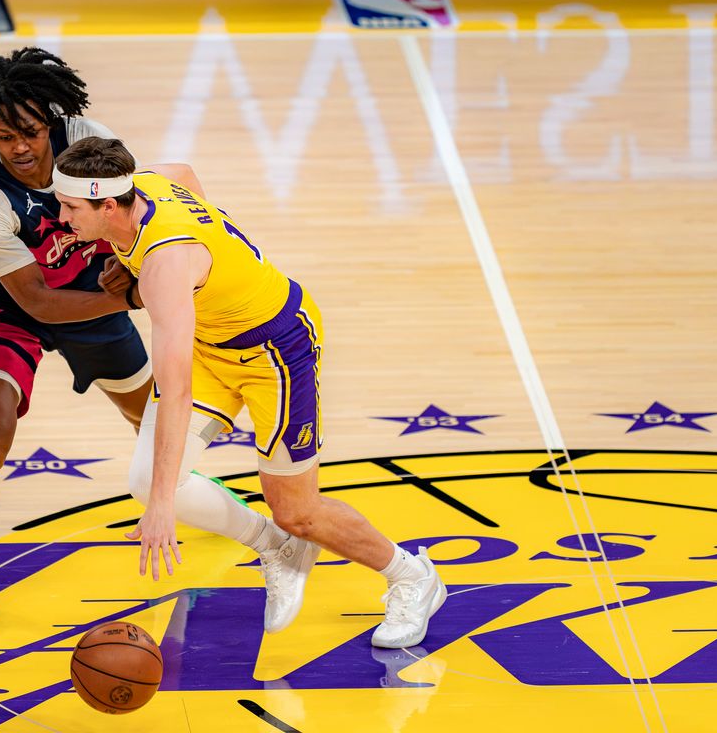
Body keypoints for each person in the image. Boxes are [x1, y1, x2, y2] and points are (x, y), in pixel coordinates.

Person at [51, 137, 447, 647]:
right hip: (213, 340)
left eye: (70, 207)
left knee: (298, 512)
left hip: (277, 351)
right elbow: (187, 172)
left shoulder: (165, 266)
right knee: (150, 480)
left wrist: (163, 510)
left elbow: (175, 390)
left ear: (108, 205)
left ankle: (412, 575)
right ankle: (274, 546)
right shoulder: (149, 182)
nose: (63, 218)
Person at [0, 49, 274, 632]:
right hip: (12, 307)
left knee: (160, 426)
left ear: (52, 119)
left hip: (91, 297)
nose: (18, 147)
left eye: (30, 131)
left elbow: (131, 213)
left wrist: (137, 267)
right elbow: (38, 300)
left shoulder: (88, 139)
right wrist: (131, 295)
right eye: (3, 136)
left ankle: (191, 498)